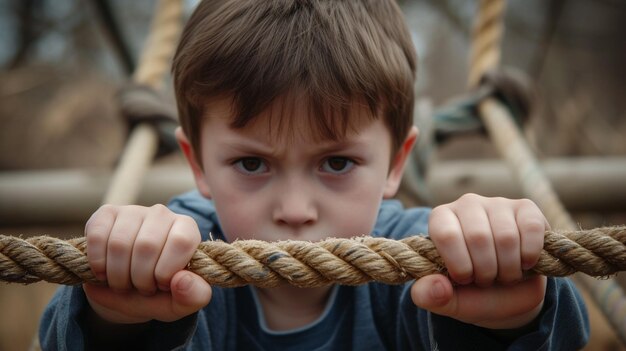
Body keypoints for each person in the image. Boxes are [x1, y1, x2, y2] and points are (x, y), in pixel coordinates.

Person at [39, 0, 589, 349]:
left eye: (337, 163)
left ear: (397, 162)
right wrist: (114, 318)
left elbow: (565, 335)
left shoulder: (420, 260)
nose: (295, 209)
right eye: (251, 164)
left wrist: (518, 309)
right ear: (197, 164)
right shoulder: (181, 260)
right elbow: (59, 338)